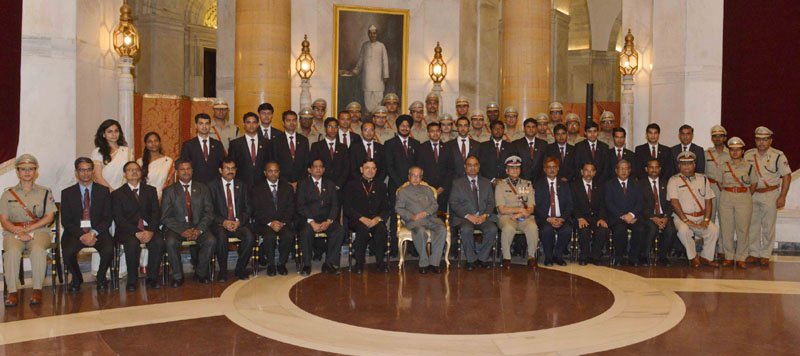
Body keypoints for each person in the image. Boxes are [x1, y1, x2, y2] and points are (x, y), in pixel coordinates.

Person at [1, 154, 56, 307]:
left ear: (35, 171)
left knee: (38, 250)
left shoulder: (45, 192)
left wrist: (29, 229)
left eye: (30, 169)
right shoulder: (7, 194)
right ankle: (12, 292)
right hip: (14, 231)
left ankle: (37, 289)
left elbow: (49, 217)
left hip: (39, 231)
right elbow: (4, 220)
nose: (27, 172)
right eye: (23, 169)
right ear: (17, 172)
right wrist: (18, 231)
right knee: (11, 252)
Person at [62, 157, 114, 291]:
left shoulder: (103, 191)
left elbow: (107, 218)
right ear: (76, 172)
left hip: (98, 231)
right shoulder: (67, 193)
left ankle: (101, 277)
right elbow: (66, 221)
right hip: (75, 233)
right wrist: (82, 235)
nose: (86, 173)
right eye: (82, 170)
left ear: (92, 171)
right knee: (67, 251)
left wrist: (92, 233)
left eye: (89, 170)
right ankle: (77, 277)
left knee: (109, 249)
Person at [162, 160, 216, 286]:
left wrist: (199, 229)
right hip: (177, 228)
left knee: (211, 240)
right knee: (170, 242)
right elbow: (165, 217)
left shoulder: (203, 188)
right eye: (182, 169)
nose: (186, 171)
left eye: (188, 168)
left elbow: (209, 213)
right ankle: (178, 276)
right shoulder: (169, 191)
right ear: (177, 172)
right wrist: (182, 230)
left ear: (193, 171)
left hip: (198, 226)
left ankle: (201, 273)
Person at [112, 161, 164, 291]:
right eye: (130, 170)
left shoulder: (150, 190)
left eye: (137, 169)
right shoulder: (117, 194)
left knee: (158, 242)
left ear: (141, 173)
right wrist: (136, 232)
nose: (134, 172)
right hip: (127, 230)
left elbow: (156, 213)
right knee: (132, 243)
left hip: (149, 228)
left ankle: (152, 278)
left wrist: (151, 231)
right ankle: (132, 280)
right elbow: (119, 218)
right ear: (124, 174)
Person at [745, 126, 792, 267]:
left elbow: (787, 176)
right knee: (752, 225)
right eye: (758, 139)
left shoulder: (778, 155)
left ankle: (765, 254)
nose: (761, 142)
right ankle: (753, 253)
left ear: (770, 140)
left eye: (765, 139)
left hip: (770, 194)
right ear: (755, 140)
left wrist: (782, 196)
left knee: (768, 225)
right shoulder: (748, 154)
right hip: (752, 194)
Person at [668, 151, 719, 268]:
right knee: (684, 230)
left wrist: (706, 219)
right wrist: (686, 220)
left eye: (689, 163)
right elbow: (674, 203)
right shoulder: (673, 180)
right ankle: (693, 257)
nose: (686, 166)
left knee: (713, 230)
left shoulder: (703, 179)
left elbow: (708, 200)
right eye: (683, 163)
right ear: (679, 166)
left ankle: (706, 257)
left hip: (700, 217)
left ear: (694, 165)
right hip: (682, 217)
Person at [449, 156, 499, 270]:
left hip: (483, 217)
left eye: (475, 165)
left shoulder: (486, 182)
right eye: (469, 165)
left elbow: (491, 203)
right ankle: (471, 260)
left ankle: (482, 258)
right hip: (464, 218)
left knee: (492, 229)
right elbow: (454, 203)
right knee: (466, 230)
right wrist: (468, 216)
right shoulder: (457, 183)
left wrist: (485, 215)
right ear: (465, 167)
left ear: (479, 167)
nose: (472, 168)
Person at [296, 159, 345, 276]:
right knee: (306, 231)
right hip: (308, 220)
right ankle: (307, 264)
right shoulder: (303, 184)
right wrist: (312, 222)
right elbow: (300, 205)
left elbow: (335, 205)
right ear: (309, 169)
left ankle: (329, 263)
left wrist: (328, 221)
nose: (318, 169)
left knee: (339, 230)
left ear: (323, 170)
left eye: (320, 167)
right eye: (315, 166)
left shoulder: (330, 184)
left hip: (326, 220)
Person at [208, 159, 255, 281]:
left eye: (233, 168)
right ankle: (223, 271)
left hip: (238, 222)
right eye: (227, 168)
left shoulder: (242, 185)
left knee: (249, 236)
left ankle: (240, 268)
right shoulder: (212, 186)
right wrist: (224, 222)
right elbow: (209, 211)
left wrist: (239, 221)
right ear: (220, 170)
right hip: (220, 224)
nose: (230, 171)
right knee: (221, 237)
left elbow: (248, 208)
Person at [395, 166, 447, 274]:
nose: (416, 178)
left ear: (421, 178)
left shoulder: (428, 190)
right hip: (415, 221)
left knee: (442, 230)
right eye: (413, 175)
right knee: (420, 232)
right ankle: (424, 263)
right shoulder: (403, 192)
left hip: (430, 218)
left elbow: (434, 205)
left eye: (418, 176)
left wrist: (426, 212)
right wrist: (411, 216)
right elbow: (398, 208)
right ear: (409, 176)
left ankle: (435, 263)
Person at [344, 159, 391, 273]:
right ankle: (359, 263)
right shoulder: (352, 185)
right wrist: (362, 218)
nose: (370, 171)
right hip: (358, 220)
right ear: (361, 169)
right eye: (367, 168)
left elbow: (386, 208)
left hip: (375, 220)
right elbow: (347, 208)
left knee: (381, 229)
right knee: (363, 230)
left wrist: (378, 218)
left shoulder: (381, 185)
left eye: (373, 168)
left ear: (376, 170)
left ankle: (380, 262)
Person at [718, 137, 757, 268]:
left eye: (738, 150)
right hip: (726, 197)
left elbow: (754, 183)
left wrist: (744, 194)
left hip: (743, 197)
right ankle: (728, 256)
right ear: (729, 151)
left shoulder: (749, 166)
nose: (735, 152)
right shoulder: (723, 166)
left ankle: (741, 257)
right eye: (732, 150)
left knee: (743, 228)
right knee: (726, 228)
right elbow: (719, 183)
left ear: (742, 151)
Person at [251, 161, 295, 276]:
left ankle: (281, 263)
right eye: (270, 171)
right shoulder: (257, 189)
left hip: (283, 222)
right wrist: (271, 223)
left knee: (288, 235)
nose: (273, 174)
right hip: (265, 223)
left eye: (276, 171)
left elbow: (291, 208)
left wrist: (282, 222)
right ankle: (271, 264)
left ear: (279, 173)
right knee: (269, 236)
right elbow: (256, 210)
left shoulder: (287, 187)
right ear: (265, 173)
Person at [495, 156, 538, 269]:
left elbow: (531, 207)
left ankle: (531, 257)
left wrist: (520, 214)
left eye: (517, 168)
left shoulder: (527, 184)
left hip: (524, 217)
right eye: (512, 168)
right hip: (507, 217)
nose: (515, 170)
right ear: (506, 170)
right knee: (508, 228)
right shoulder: (500, 185)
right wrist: (519, 210)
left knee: (532, 227)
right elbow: (501, 209)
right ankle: (507, 258)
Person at [605, 160, 646, 266]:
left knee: (640, 229)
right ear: (616, 170)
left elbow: (640, 202)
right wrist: (623, 216)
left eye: (626, 168)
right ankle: (619, 257)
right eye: (621, 168)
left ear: (630, 170)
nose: (624, 171)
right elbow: (609, 203)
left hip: (634, 217)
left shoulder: (636, 184)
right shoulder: (609, 184)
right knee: (620, 230)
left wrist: (632, 215)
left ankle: (633, 258)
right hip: (616, 217)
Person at [534, 157, 574, 266]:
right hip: (545, 218)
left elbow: (570, 205)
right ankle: (548, 256)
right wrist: (548, 218)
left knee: (567, 230)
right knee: (547, 230)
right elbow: (536, 206)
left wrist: (562, 218)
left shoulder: (564, 184)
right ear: (544, 169)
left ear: (558, 169)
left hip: (561, 217)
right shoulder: (538, 184)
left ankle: (558, 255)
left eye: (554, 167)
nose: (552, 170)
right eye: (549, 167)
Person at [640, 158, 677, 267]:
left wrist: (666, 217)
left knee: (671, 230)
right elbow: (640, 204)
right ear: (646, 169)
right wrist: (652, 217)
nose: (654, 170)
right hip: (648, 216)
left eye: (656, 167)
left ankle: (663, 256)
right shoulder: (640, 184)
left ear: (660, 169)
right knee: (652, 228)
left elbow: (671, 202)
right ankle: (644, 256)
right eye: (651, 167)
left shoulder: (667, 183)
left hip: (664, 215)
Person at [571, 162, 609, 265]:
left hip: (596, 218)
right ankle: (584, 255)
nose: (589, 173)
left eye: (591, 171)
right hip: (580, 218)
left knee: (603, 229)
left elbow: (603, 204)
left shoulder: (600, 186)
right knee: (584, 229)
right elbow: (572, 204)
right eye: (586, 170)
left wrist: (601, 218)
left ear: (595, 173)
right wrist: (579, 217)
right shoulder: (574, 186)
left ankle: (595, 256)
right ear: (582, 172)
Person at [347, 24, 389, 112]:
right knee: (368, 97)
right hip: (367, 78)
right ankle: (369, 114)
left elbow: (385, 61)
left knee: (378, 96)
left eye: (374, 33)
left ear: (376, 34)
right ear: (368, 34)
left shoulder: (381, 46)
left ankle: (377, 114)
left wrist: (385, 75)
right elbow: (360, 60)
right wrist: (355, 71)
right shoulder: (365, 45)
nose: (372, 35)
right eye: (370, 33)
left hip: (378, 78)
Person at [228, 112, 272, 188]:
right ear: (244, 125)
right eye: (248, 122)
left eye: (254, 122)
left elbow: (270, 163)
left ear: (258, 124)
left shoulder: (267, 143)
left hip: (262, 185)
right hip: (241, 186)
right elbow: (231, 166)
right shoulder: (235, 144)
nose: (251, 125)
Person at [179, 113, 225, 184]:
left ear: (210, 126)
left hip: (215, 186)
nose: (204, 126)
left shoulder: (217, 144)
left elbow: (222, 165)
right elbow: (184, 166)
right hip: (195, 185)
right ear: (196, 126)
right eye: (201, 123)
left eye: (207, 123)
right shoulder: (188, 145)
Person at [417, 122, 451, 212]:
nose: (435, 133)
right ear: (428, 133)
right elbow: (419, 169)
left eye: (437, 131)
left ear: (440, 132)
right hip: (426, 189)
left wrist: (442, 187)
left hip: (443, 190)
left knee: (441, 216)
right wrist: (427, 187)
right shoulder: (421, 148)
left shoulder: (447, 148)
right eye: (432, 131)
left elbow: (450, 170)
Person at [272, 110, 310, 190]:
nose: (291, 123)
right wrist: (286, 182)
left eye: (294, 120)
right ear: (283, 123)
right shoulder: (276, 141)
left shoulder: (303, 140)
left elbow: (306, 163)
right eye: (288, 120)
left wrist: (298, 182)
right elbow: (275, 162)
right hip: (282, 183)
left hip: (301, 184)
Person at [92, 119, 133, 191]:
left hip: (123, 193)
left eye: (116, 131)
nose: (114, 134)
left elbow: (131, 174)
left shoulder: (127, 151)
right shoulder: (98, 152)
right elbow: (97, 176)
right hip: (104, 192)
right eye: (110, 131)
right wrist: (112, 191)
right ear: (103, 134)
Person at [310, 117, 350, 191]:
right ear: (325, 128)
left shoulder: (343, 147)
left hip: (340, 187)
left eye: (335, 127)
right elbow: (314, 167)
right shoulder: (316, 146)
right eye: (330, 126)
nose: (333, 129)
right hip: (322, 186)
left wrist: (338, 184)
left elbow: (346, 168)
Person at [704, 125, 729, 238]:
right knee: (709, 218)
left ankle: (722, 248)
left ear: (725, 138)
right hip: (711, 188)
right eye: (715, 136)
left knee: (725, 219)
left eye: (720, 136)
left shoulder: (731, 154)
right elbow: (702, 173)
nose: (717, 138)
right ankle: (710, 248)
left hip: (726, 189)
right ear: (712, 138)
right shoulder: (706, 153)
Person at [138, 132, 174, 199]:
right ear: (145, 144)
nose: (153, 144)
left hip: (164, 197)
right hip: (145, 198)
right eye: (150, 141)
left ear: (160, 143)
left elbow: (170, 183)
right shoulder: (140, 162)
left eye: (156, 141)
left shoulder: (168, 161)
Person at [512, 117, 548, 183]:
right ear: (524, 129)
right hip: (521, 180)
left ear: (536, 129)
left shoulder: (543, 144)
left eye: (533, 127)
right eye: (528, 127)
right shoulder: (516, 144)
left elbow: (545, 163)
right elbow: (514, 164)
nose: (531, 129)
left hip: (539, 181)